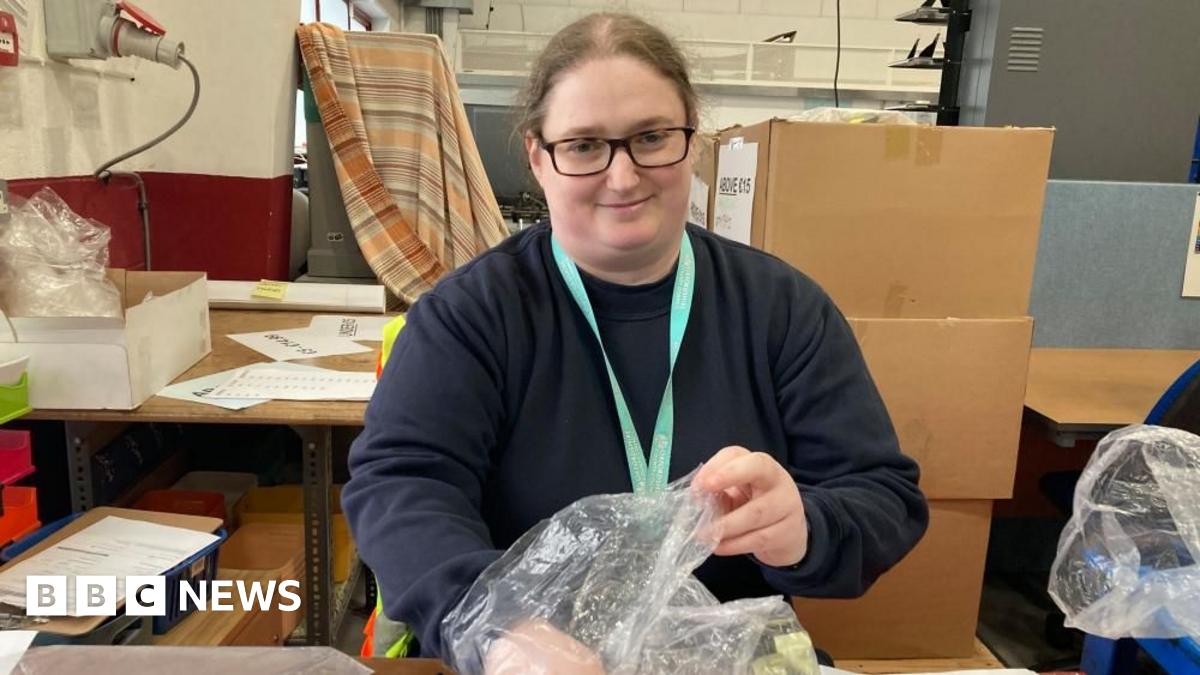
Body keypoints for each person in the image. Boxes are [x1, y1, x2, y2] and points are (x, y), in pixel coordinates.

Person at [344, 11, 929, 671]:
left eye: (651, 137)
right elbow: (402, 484)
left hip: (725, 656)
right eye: (585, 145)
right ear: (539, 156)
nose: (622, 177)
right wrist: (496, 627)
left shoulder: (781, 310)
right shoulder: (471, 316)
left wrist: (806, 526)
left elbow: (885, 495)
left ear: (693, 140)